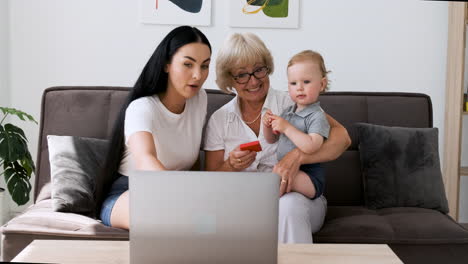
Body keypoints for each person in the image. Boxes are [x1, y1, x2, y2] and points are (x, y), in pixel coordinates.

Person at [204, 33, 351, 243]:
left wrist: (298, 156)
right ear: (230, 80)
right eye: (242, 75)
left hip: (297, 201)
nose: (253, 80)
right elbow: (210, 181)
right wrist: (231, 165)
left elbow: (342, 137)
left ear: (268, 67)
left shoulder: (290, 104)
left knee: (288, 207)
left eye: (258, 70)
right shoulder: (219, 119)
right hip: (244, 205)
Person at [98, 26, 212, 229]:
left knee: (212, 221)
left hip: (177, 194)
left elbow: (192, 160)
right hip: (129, 193)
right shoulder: (142, 108)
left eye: (205, 66)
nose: (198, 75)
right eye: (188, 64)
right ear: (167, 64)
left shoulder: (199, 99)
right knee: (168, 217)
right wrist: (185, 199)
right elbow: (145, 159)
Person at [263, 50, 330, 199]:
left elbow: (311, 146)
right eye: (293, 83)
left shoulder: (317, 115)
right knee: (273, 177)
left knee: (274, 179)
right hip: (289, 170)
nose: (299, 87)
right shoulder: (288, 112)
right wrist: (267, 125)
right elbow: (271, 139)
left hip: (309, 176)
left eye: (306, 82)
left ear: (322, 84)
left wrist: (287, 127)